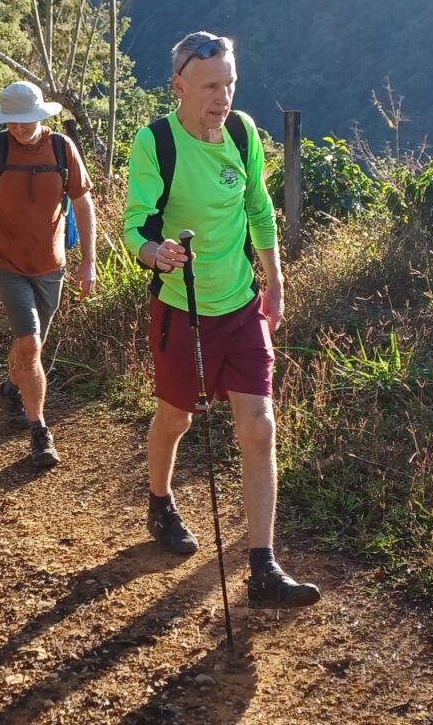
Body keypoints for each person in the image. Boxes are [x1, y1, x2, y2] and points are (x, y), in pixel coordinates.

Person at [121, 32, 321, 608]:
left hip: (240, 306)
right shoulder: (155, 141)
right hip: (182, 308)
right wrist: (153, 252)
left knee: (258, 427)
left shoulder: (242, 133)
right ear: (179, 85)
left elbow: (258, 206)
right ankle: (159, 500)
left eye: (230, 83)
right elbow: (136, 222)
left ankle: (263, 565)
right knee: (176, 419)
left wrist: (275, 282)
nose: (224, 96)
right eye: (212, 86)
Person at [0, 81, 96, 469]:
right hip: (6, 261)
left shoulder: (62, 149)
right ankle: (40, 433)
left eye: (25, 119)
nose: (18, 127)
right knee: (31, 346)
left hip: (52, 265)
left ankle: (9, 390)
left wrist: (89, 261)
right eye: (12, 120)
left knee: (29, 346)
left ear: (40, 115)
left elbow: (83, 204)